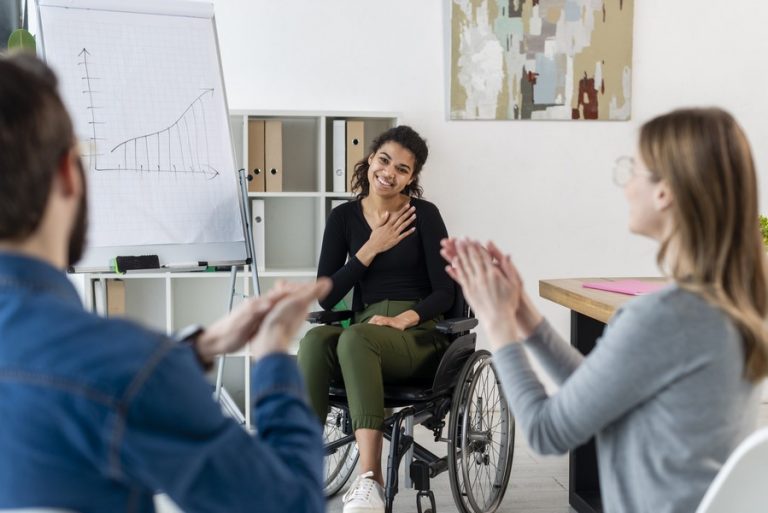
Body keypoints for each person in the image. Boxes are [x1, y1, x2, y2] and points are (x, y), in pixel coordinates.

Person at [0, 53, 330, 513]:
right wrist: (273, 353)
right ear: (67, 175)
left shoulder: (123, 368)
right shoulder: (122, 364)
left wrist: (198, 348)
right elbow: (290, 505)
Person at [442, 107, 768, 513]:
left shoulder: (663, 318)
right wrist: (522, 315)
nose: (627, 184)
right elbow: (599, 391)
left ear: (664, 191)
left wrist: (497, 323)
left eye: (634, 169)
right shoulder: (732, 305)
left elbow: (546, 432)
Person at [296, 125, 454, 513]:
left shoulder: (425, 216)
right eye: (384, 160)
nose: (389, 173)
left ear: (411, 178)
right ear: (370, 159)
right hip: (365, 330)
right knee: (315, 341)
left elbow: (446, 293)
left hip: (417, 335)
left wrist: (404, 320)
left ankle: (370, 479)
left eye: (402, 169)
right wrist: (369, 249)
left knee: (356, 338)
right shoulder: (344, 218)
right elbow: (328, 294)